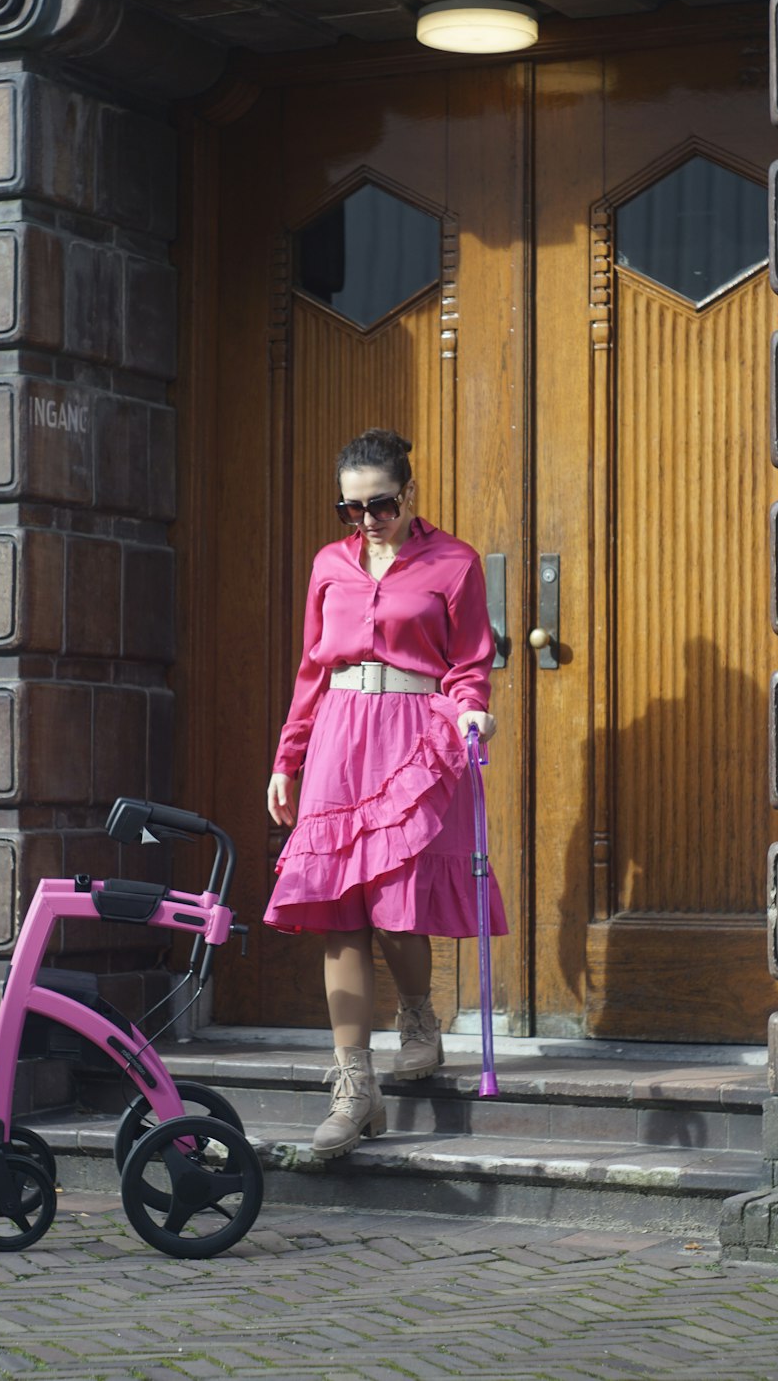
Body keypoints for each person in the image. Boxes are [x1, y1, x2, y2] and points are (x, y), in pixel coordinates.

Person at [265, 428, 507, 1159]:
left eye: (382, 504)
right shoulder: (328, 566)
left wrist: (471, 705)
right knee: (339, 910)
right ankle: (354, 1087)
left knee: (397, 908)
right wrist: (288, 756)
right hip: (340, 734)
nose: (368, 520)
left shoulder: (454, 563)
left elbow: (468, 662)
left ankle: (420, 1022)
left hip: (412, 740)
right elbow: (313, 667)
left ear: (410, 493)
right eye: (353, 508)